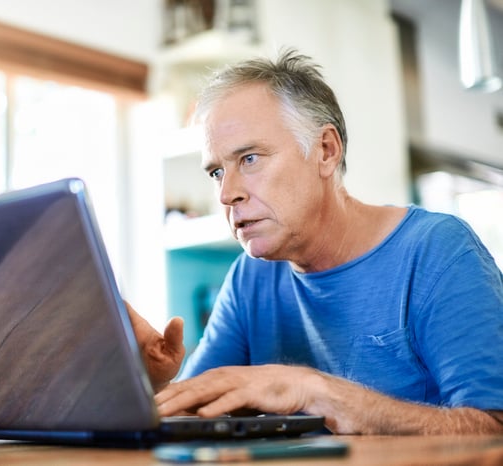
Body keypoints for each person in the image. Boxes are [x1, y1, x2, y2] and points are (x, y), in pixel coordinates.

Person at [127, 49, 503, 435]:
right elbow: (197, 414)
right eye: (217, 171)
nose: (226, 194)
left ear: (326, 150)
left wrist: (319, 393)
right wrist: (150, 386)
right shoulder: (250, 278)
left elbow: (493, 429)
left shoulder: (438, 251)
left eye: (251, 159)